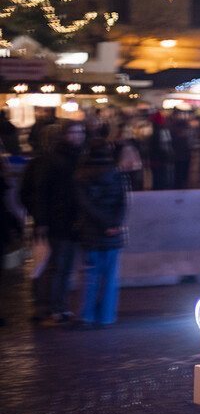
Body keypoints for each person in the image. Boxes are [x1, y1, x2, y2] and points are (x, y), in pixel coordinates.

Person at [27, 120, 86, 324]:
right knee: (58, 266)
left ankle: (58, 307)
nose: (78, 136)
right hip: (58, 220)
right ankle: (53, 308)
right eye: (73, 132)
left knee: (63, 266)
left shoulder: (77, 157)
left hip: (69, 220)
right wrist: (41, 220)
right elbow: (40, 192)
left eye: (80, 132)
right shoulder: (54, 160)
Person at [73, 138, 128, 329]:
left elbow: (86, 206)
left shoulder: (82, 175)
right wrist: (115, 224)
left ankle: (86, 315)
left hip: (91, 234)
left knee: (90, 278)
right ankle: (106, 315)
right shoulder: (117, 174)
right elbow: (123, 202)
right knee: (110, 278)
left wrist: (103, 225)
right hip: (113, 235)